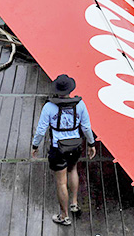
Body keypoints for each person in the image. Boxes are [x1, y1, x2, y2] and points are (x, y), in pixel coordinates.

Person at [32, 74, 96, 227]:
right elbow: (86, 127)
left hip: (58, 148)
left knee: (61, 183)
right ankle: (74, 203)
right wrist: (91, 144)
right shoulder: (80, 105)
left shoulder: (49, 107)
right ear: (70, 89)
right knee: (73, 170)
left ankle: (64, 215)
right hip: (75, 146)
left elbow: (41, 130)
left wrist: (35, 145)